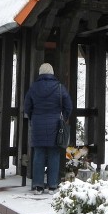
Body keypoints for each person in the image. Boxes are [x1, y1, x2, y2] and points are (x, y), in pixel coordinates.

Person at [24, 63, 73, 195]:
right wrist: (64, 117)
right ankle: (52, 185)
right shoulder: (59, 87)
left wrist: (33, 117)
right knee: (54, 154)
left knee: (38, 154)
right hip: (55, 124)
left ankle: (38, 186)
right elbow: (68, 105)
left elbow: (27, 106)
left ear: (40, 73)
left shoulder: (34, 87)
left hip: (38, 124)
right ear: (52, 73)